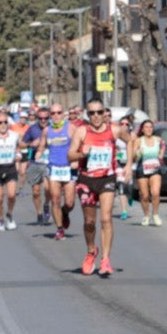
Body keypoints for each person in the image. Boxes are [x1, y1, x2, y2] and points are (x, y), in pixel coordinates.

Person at [68, 100, 121, 277]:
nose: (96, 116)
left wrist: (128, 166)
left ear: (104, 112)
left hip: (107, 178)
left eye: (99, 112)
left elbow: (132, 141)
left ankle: (105, 259)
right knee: (89, 222)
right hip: (87, 180)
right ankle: (91, 251)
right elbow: (70, 155)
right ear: (87, 115)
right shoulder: (82, 131)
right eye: (92, 113)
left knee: (106, 219)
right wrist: (83, 153)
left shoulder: (114, 129)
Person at [42, 105, 75, 240]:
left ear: (63, 114)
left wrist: (76, 158)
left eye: (59, 113)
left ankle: (64, 212)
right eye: (53, 113)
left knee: (69, 203)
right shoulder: (46, 130)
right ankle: (59, 229)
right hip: (53, 168)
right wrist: (37, 153)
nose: (56, 115)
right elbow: (41, 146)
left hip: (68, 168)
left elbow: (80, 143)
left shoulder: (71, 128)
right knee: (55, 198)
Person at [129, 119, 166, 227]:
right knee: (144, 195)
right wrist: (138, 153)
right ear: (142, 129)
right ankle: (146, 215)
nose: (149, 129)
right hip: (142, 168)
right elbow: (133, 156)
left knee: (155, 192)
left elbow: (163, 145)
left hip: (155, 168)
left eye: (151, 127)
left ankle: (155, 214)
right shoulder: (138, 141)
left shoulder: (158, 139)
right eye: (146, 127)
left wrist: (161, 154)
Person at [19, 108, 50, 224]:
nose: (43, 120)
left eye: (46, 118)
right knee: (36, 192)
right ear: (37, 118)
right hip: (35, 162)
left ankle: (46, 204)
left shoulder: (53, 128)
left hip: (49, 162)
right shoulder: (32, 129)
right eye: (40, 118)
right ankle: (39, 213)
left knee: (48, 189)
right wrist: (31, 144)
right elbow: (21, 144)